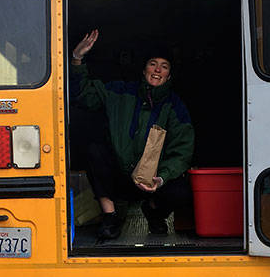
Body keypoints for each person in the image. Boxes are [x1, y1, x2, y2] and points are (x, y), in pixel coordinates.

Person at [70, 29, 194, 240]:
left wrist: (161, 178)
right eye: (152, 63)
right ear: (144, 69)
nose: (157, 70)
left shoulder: (175, 107)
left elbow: (182, 151)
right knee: (94, 150)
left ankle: (154, 212)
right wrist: (77, 58)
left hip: (151, 182)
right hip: (119, 178)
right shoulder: (119, 92)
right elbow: (82, 95)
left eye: (164, 67)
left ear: (169, 75)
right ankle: (110, 216)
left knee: (181, 190)